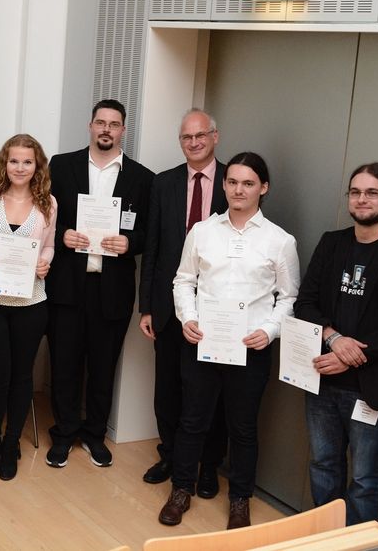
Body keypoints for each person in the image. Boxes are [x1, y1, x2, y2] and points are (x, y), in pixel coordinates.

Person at [159, 152, 300, 530]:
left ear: (263, 188)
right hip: (203, 343)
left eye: (248, 183)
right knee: (192, 422)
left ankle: (240, 500)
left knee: (243, 428)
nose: (239, 189)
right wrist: (187, 318)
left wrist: (269, 331)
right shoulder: (203, 231)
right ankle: (181, 491)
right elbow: (183, 281)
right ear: (224, 185)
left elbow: (288, 297)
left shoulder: (280, 241)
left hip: (250, 350)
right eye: (233, 182)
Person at [294, 162, 378, 525]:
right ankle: (325, 540)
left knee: (364, 478)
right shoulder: (332, 243)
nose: (362, 199)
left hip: (371, 387)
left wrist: (352, 356)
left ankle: (358, 546)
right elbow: (305, 303)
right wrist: (334, 338)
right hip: (322, 380)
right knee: (323, 466)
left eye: (372, 192)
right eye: (356, 191)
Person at [44, 99, 154, 469]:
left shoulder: (142, 178)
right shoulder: (61, 166)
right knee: (64, 364)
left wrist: (130, 243)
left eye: (114, 124)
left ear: (123, 130)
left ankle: (94, 435)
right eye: (100, 123)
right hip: (67, 285)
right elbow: (43, 216)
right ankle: (64, 433)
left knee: (104, 366)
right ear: (90, 126)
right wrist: (63, 236)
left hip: (113, 289)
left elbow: (147, 235)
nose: (106, 129)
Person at [137, 109, 229, 494]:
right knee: (168, 388)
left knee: (211, 392)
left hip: (217, 310)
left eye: (200, 135)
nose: (194, 142)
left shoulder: (234, 180)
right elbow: (153, 248)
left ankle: (208, 466)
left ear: (215, 136)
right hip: (168, 307)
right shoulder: (164, 183)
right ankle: (171, 455)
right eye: (186, 137)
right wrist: (147, 306)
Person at [0, 133, 56, 481]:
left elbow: (48, 246)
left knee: (22, 378)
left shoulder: (48, 203)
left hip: (30, 302)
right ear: (5, 163)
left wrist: (45, 262)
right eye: (14, 160)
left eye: (27, 161)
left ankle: (10, 444)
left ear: (37, 166)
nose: (20, 167)